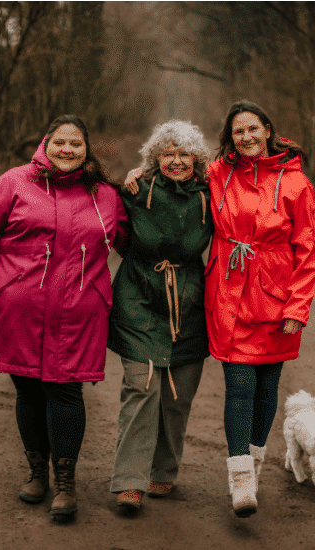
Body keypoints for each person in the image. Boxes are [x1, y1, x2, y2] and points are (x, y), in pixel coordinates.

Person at [0, 114, 128, 522]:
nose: (67, 150)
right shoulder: (14, 183)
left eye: (76, 143)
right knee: (30, 392)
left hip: (78, 313)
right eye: (60, 142)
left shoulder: (106, 195)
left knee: (66, 392)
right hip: (18, 310)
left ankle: (66, 483)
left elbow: (134, 244)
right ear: (46, 144)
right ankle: (37, 472)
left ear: (86, 149)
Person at [205, 100, 315, 517]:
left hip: (276, 298)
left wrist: (297, 308)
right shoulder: (217, 172)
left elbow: (308, 250)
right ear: (229, 138)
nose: (247, 137)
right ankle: (240, 478)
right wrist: (135, 176)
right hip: (228, 295)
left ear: (268, 130)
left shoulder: (296, 184)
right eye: (238, 132)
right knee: (239, 386)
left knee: (267, 388)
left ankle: (253, 464)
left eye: (253, 129)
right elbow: (172, 172)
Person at [107, 120, 214, 511]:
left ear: (197, 159)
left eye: (184, 153)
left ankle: (163, 472)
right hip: (139, 295)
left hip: (189, 301)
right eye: (167, 153)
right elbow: (108, 218)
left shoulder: (210, 193)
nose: (176, 161)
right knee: (142, 386)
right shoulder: (135, 190)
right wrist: (130, 177)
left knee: (177, 394)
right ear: (155, 158)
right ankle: (129, 480)